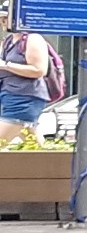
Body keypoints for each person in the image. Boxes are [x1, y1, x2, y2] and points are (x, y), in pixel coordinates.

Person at [1, 19, 52, 147]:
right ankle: (52, 165)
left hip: (24, 97)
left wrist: (6, 65)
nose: (2, 22)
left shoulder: (33, 39)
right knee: (33, 143)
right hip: (10, 95)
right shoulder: (9, 40)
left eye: (6, 18)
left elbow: (39, 70)